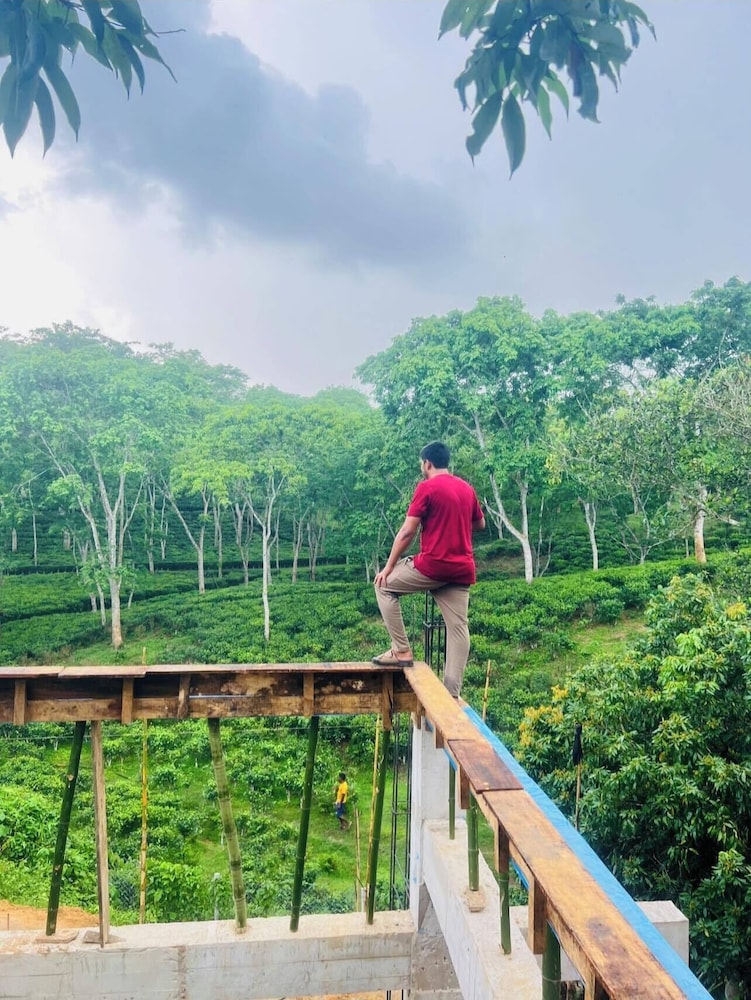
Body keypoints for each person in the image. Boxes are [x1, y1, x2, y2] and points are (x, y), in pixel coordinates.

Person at [372, 441, 485, 698]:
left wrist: (388, 567)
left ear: (427, 463)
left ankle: (401, 650)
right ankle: (452, 695)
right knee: (458, 629)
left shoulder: (427, 487)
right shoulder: (466, 488)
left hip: (433, 566)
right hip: (460, 570)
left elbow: (407, 531)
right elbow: (480, 524)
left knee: (383, 586)